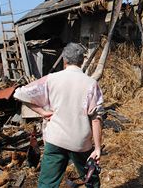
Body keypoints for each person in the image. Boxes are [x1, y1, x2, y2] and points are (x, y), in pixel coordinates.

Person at [14, 43, 103, 188]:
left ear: (64, 60)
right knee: (91, 180)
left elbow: (20, 94)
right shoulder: (91, 84)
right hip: (80, 142)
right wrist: (97, 148)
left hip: (56, 139)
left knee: (47, 184)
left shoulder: (51, 79)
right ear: (81, 61)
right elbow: (96, 118)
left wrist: (42, 112)